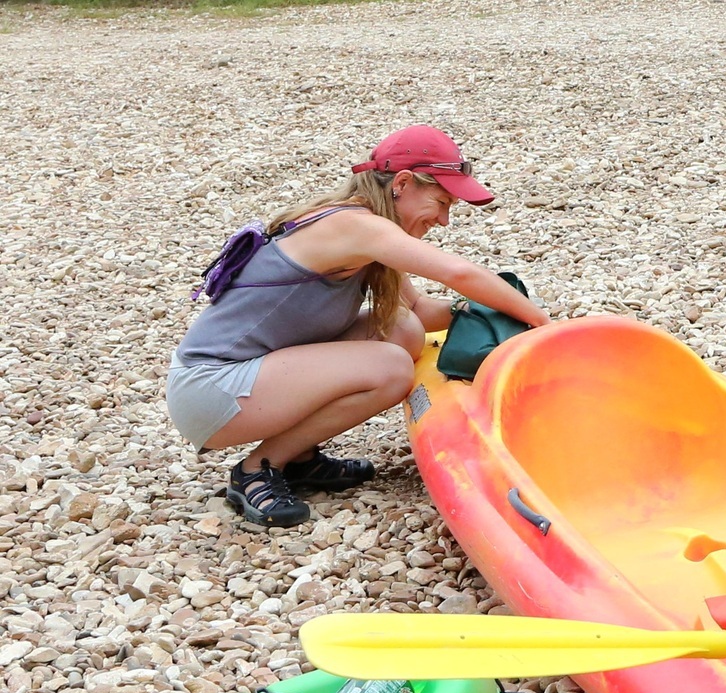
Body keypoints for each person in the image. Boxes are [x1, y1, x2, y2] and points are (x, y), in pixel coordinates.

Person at [167, 125, 551, 527]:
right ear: (402, 183)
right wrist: (540, 323)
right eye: (440, 202)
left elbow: (417, 308)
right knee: (389, 367)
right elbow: (458, 273)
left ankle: (299, 458)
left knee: (402, 329)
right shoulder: (355, 226)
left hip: (249, 375)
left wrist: (481, 314)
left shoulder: (367, 227)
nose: (443, 220)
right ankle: (256, 469)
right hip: (208, 389)